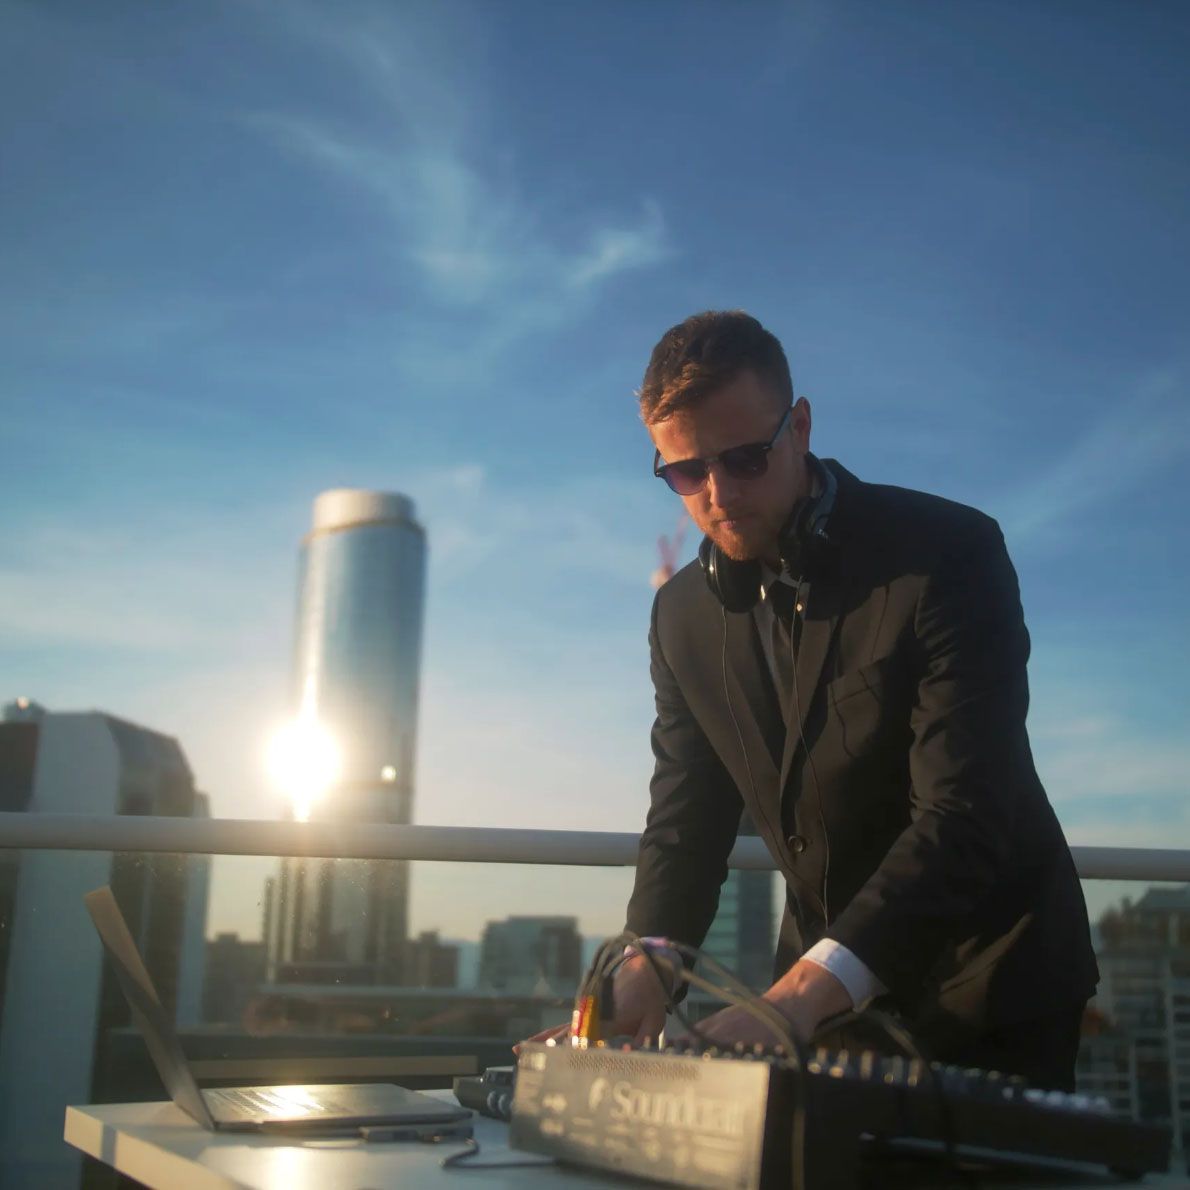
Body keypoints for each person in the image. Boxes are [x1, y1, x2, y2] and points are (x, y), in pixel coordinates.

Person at [539, 310, 1098, 1092]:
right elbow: (687, 816)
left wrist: (800, 996)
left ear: (799, 427)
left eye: (744, 459)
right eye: (686, 472)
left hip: (991, 992)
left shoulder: (946, 553)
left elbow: (964, 811)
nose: (718, 494)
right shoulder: (680, 617)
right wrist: (648, 963)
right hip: (819, 1006)